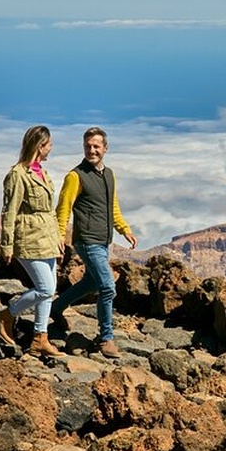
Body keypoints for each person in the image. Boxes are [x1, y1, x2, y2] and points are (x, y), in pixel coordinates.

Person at [52, 126, 138, 358]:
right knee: (107, 286)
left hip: (103, 240)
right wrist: (60, 235)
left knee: (90, 283)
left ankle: (56, 307)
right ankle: (106, 338)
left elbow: (113, 207)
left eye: (96, 146)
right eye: (88, 146)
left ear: (105, 149)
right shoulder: (75, 176)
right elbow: (64, 208)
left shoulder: (109, 174)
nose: (92, 150)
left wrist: (124, 229)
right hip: (87, 240)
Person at [0, 124, 66, 358]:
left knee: (50, 289)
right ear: (39, 146)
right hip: (28, 239)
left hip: (47, 237)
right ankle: (7, 314)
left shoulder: (42, 172)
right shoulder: (17, 174)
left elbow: (50, 211)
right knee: (45, 288)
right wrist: (6, 244)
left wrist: (58, 238)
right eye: (49, 145)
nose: (51, 149)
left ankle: (40, 338)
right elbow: (9, 211)